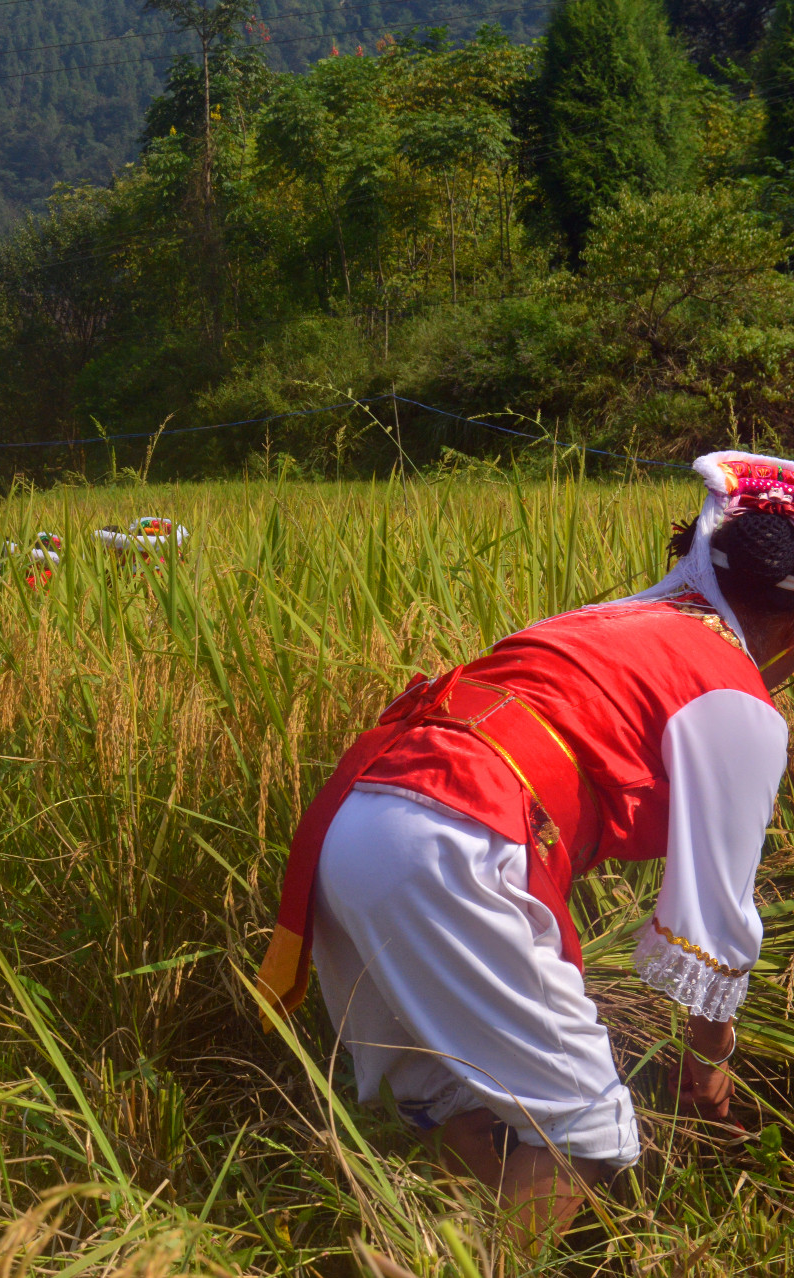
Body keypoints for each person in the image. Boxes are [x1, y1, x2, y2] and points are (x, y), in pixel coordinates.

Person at [256, 450, 794, 1247]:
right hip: (454, 839)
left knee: (460, 1096)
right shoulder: (735, 698)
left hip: (358, 821)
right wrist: (710, 1064)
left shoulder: (610, 621)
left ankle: (425, 1244)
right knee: (588, 1129)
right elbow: (716, 929)